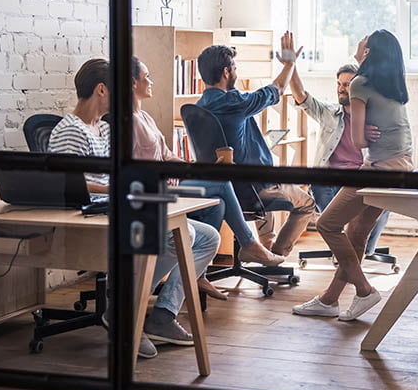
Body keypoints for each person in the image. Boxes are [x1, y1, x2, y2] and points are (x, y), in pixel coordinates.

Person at [49, 58, 220, 358]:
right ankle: (128, 312)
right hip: (92, 216)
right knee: (181, 235)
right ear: (102, 90)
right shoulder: (71, 130)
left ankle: (155, 313)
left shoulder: (102, 128)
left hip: (117, 206)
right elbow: (68, 185)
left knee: (206, 237)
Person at [292, 30, 413, 321]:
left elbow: (358, 140)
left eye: (364, 42)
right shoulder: (392, 86)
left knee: (326, 224)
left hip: (376, 171)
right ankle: (329, 299)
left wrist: (365, 129)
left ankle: (363, 290)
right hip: (401, 167)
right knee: (357, 233)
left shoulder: (360, 84)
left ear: (370, 53)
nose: (360, 42)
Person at [130, 56, 285, 281]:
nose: (151, 81)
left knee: (218, 204)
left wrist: (192, 168)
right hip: (154, 192)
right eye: (147, 77)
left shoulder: (145, 117)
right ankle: (249, 242)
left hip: (172, 184)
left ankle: (198, 277)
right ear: (134, 83)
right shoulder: (128, 122)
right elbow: (137, 168)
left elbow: (166, 156)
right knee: (221, 181)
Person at [196, 32, 316, 257]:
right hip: (253, 189)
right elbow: (277, 89)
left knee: (266, 173)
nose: (236, 72)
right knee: (307, 203)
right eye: (234, 68)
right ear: (226, 72)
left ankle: (265, 246)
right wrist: (290, 63)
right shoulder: (236, 102)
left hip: (224, 188)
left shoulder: (200, 106)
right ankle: (276, 256)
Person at [289, 61, 390, 257]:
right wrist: (291, 65)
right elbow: (301, 96)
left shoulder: (375, 118)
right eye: (339, 84)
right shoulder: (329, 113)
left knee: (384, 198)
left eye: (347, 84)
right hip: (329, 181)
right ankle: (346, 252)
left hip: (361, 180)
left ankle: (357, 251)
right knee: (328, 204)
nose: (341, 89)